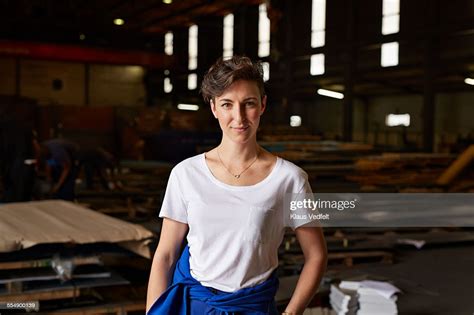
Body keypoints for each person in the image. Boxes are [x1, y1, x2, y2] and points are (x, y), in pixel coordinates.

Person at [146, 56, 327, 315]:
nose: (239, 117)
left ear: (263, 105)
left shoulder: (289, 179)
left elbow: (316, 255)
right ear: (214, 108)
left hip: (252, 308)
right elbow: (165, 256)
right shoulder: (186, 174)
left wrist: (291, 313)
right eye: (227, 104)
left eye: (249, 104)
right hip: (194, 306)